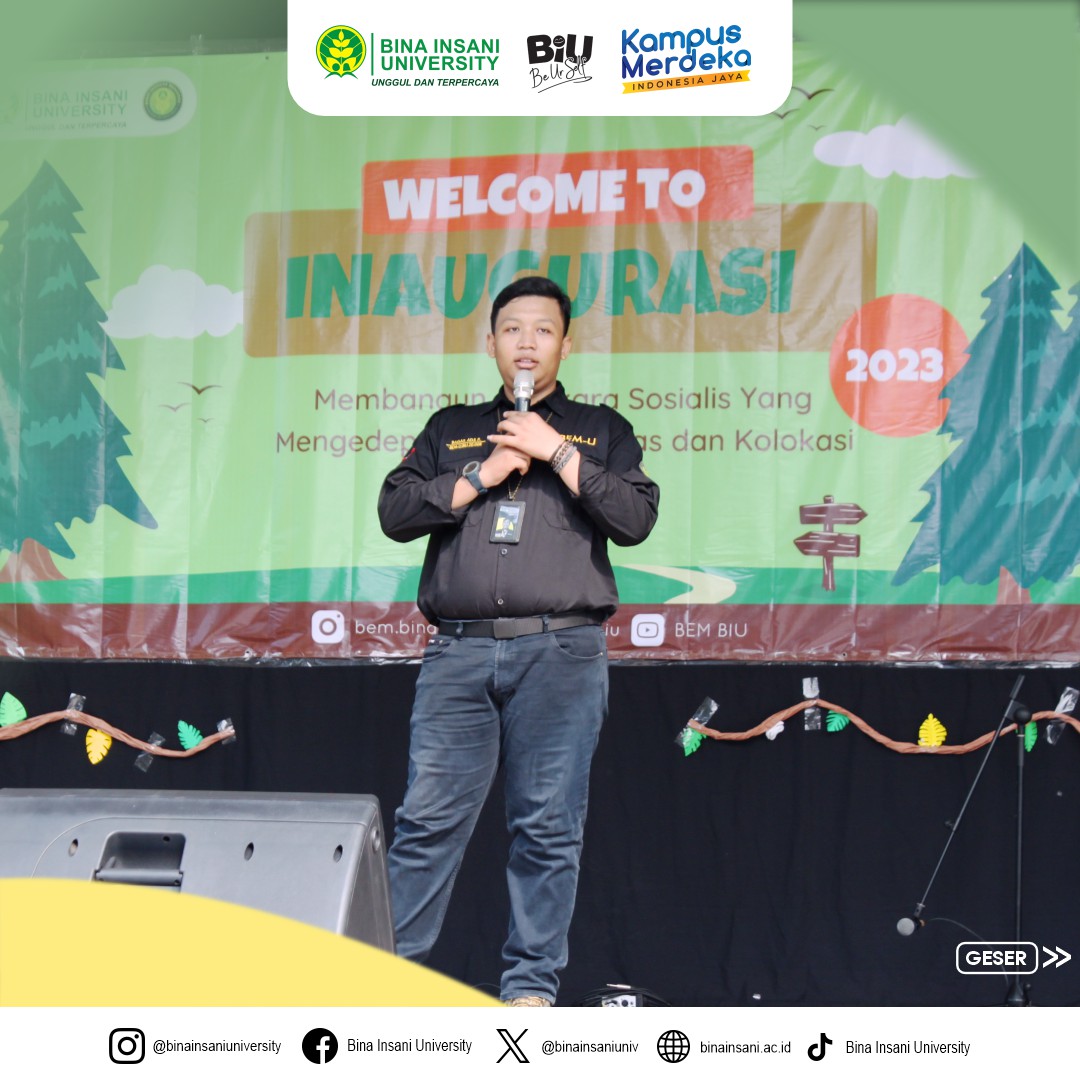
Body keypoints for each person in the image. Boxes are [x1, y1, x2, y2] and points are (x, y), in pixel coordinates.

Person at [377, 275, 659, 1005]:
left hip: (560, 653)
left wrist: (556, 452)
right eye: (512, 329)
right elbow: (395, 511)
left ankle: (530, 989)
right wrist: (483, 473)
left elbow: (635, 518)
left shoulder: (600, 429)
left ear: (565, 344)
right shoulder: (452, 429)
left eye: (542, 330)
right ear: (492, 342)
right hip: (459, 651)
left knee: (547, 827)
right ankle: (384, 984)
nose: (526, 343)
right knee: (426, 822)